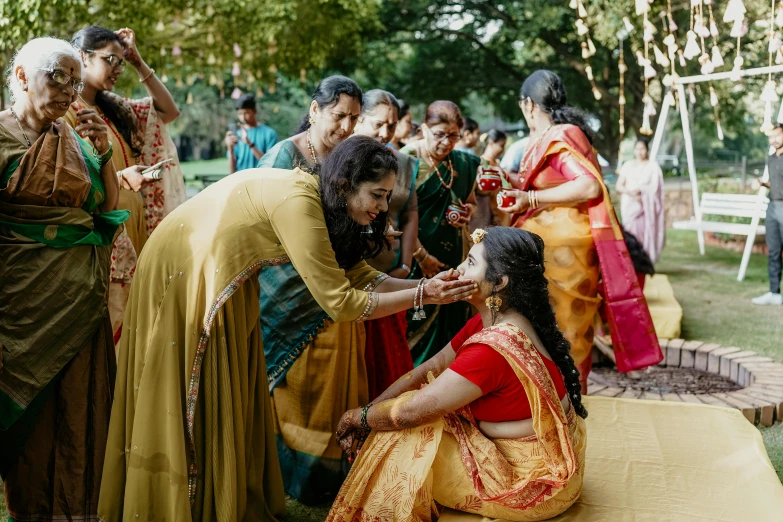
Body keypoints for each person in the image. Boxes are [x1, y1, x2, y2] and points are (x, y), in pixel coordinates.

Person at [97, 136, 477, 520]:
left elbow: (360, 277)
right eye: (377, 195)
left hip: (227, 276)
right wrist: (424, 295)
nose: (382, 208)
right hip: (189, 268)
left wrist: (428, 290)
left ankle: (223, 499)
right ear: (346, 184)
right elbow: (341, 303)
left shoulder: (326, 201)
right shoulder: (300, 202)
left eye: (387, 196)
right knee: (195, 389)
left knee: (230, 386)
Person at [328, 228, 587, 520]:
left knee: (403, 435)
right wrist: (369, 413)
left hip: (530, 486)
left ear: (499, 282)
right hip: (547, 463)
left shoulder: (492, 349)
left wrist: (358, 418)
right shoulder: (495, 320)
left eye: (471, 264)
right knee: (399, 415)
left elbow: (410, 413)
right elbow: (428, 369)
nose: (457, 270)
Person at [0, 37, 127, 521]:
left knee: (78, 417)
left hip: (80, 307)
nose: (70, 91)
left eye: (75, 81)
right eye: (58, 76)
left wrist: (103, 155)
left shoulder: (74, 137)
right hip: (20, 313)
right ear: (20, 76)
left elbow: (108, 208)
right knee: (29, 430)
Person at [499, 70, 661, 390]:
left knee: (564, 330)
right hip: (550, 244)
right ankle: (538, 397)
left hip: (564, 250)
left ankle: (563, 401)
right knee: (541, 328)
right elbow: (552, 183)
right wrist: (509, 180)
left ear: (529, 105)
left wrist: (529, 197)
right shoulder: (544, 139)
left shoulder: (560, 136)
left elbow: (587, 187)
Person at [255, 75, 365, 504]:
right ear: (315, 109)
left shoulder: (345, 156)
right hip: (287, 294)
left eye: (354, 118)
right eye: (339, 116)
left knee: (331, 391)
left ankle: (326, 483)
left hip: (335, 291)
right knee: (293, 395)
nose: (347, 126)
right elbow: (262, 230)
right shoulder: (283, 156)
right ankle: (287, 486)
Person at [68, 25, 187, 340]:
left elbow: (168, 111)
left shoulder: (115, 108)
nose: (117, 69)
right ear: (82, 56)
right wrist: (121, 177)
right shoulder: (65, 110)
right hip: (104, 235)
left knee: (142, 330)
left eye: (121, 62)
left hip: (136, 229)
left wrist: (137, 60)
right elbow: (67, 176)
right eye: (111, 60)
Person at [401, 101, 480, 366]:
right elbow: (395, 216)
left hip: (453, 259)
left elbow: (471, 200)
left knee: (454, 326)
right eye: (439, 134)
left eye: (453, 135)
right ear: (424, 129)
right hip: (414, 261)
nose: (446, 142)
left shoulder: (463, 162)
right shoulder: (405, 161)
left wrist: (467, 211)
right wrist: (422, 257)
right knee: (414, 325)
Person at [354, 89, 419, 400]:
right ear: (359, 119)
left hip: (392, 272)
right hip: (353, 278)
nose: (385, 132)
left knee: (393, 363)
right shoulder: (345, 160)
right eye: (378, 123)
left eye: (392, 125)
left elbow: (410, 214)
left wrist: (406, 265)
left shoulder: (403, 163)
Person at [616, 138, 665, 264]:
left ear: (647, 150)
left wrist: (642, 193)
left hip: (645, 208)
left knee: (644, 235)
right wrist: (631, 193)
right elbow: (619, 186)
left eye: (642, 149)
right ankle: (630, 261)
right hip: (629, 206)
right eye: (637, 149)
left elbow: (656, 189)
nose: (640, 152)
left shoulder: (653, 167)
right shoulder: (627, 165)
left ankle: (643, 261)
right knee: (630, 234)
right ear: (634, 150)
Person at [752, 124, 783, 306]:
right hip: (772, 207)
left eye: (777, 136)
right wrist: (764, 184)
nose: (773, 140)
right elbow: (776, 183)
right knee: (773, 251)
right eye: (771, 137)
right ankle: (774, 293)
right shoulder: (771, 158)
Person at [225, 93, 278, 173]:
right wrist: (230, 148)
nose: (243, 118)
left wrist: (250, 144)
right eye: (240, 114)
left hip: (261, 181)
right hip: (241, 181)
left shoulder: (269, 133)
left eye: (246, 113)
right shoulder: (236, 135)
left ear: (254, 111)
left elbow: (269, 164)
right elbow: (231, 172)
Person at [471, 129, 510, 230]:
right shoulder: (483, 163)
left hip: (499, 209)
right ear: (491, 143)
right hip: (489, 210)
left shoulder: (495, 162)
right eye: (501, 145)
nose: (503, 149)